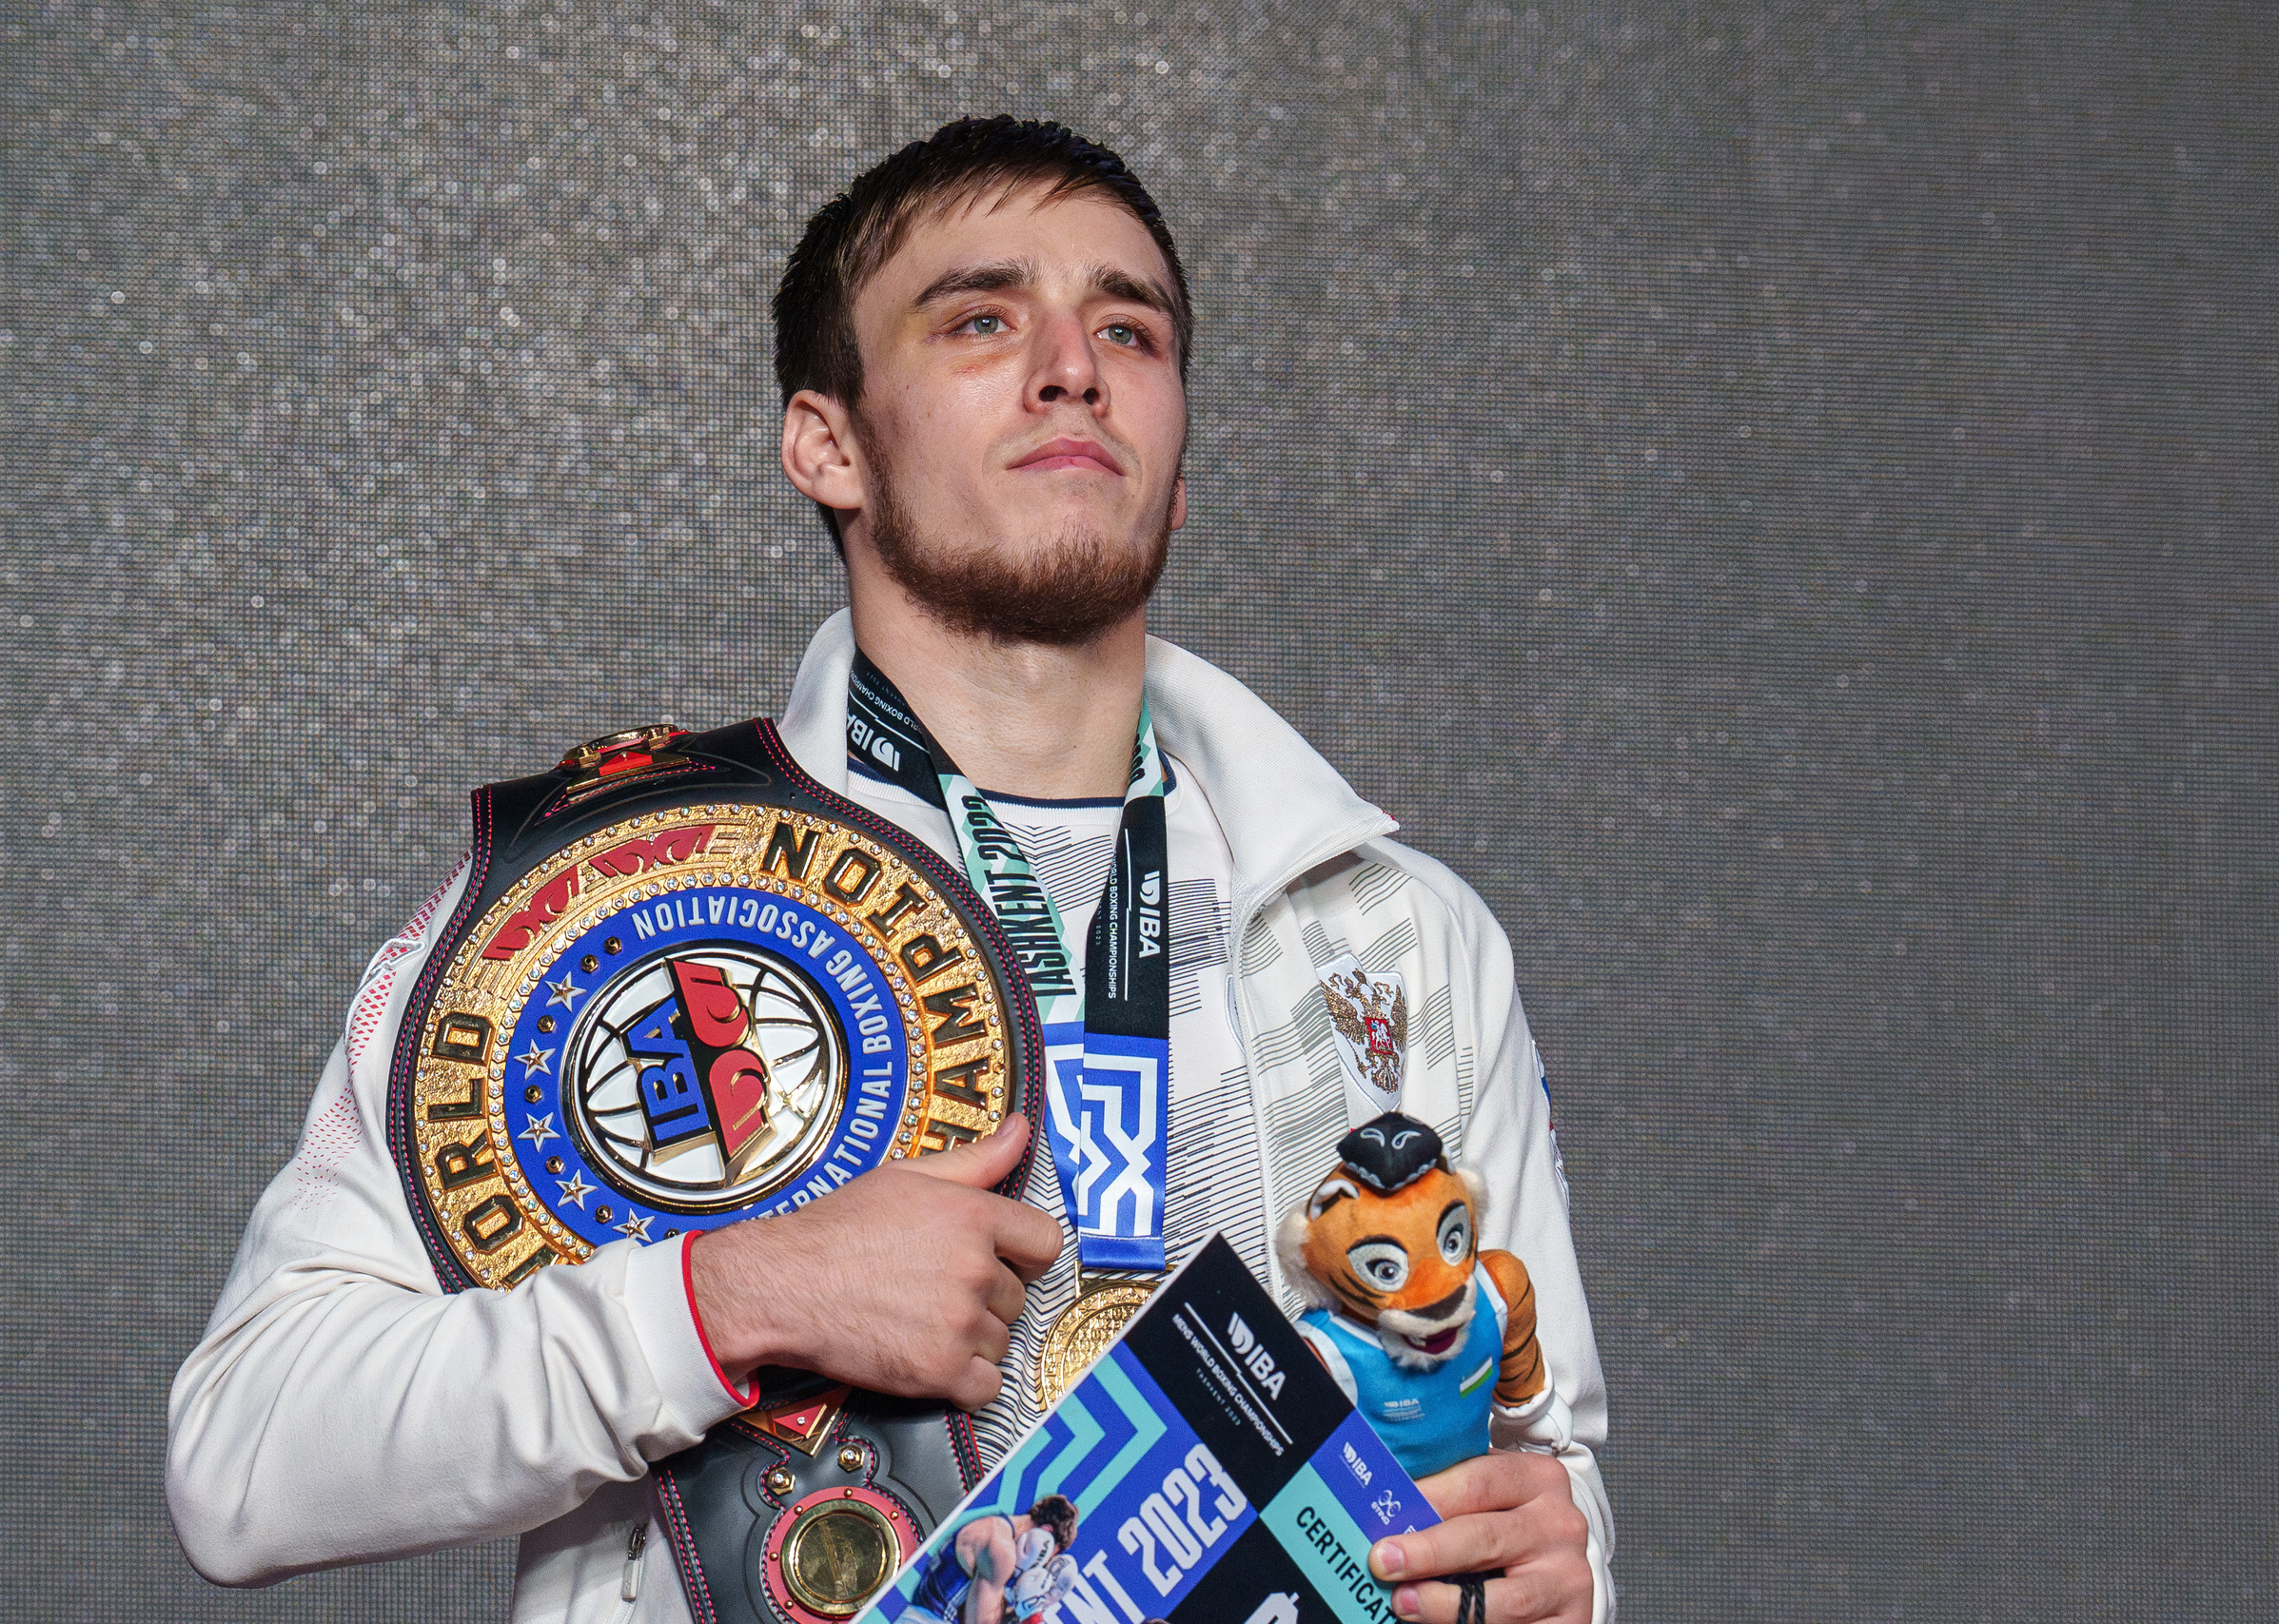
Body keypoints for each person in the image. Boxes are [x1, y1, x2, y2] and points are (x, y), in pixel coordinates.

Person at [167, 116, 1614, 1624]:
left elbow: (1547, 1471)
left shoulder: (1404, 933)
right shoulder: (608, 899)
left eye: (1130, 327)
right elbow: (244, 1451)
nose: (1075, 365)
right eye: (983, 318)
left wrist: (1560, 1560)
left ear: (1177, 468)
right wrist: (730, 1300)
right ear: (828, 442)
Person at [897, 1497, 1078, 1624]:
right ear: (1045, 1535)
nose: (1041, 1564)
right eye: (1048, 1556)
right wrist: (1026, 1613)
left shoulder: (996, 1527)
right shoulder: (1002, 1550)